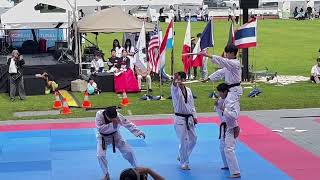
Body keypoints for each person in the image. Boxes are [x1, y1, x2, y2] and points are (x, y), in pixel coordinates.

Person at [96, 106, 146, 180]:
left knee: (129, 151)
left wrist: (137, 131)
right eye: (111, 118)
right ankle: (106, 174)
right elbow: (100, 129)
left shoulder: (117, 116)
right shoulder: (99, 115)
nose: (114, 119)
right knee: (100, 155)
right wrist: (113, 125)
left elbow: (127, 123)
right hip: (103, 137)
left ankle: (137, 169)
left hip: (115, 135)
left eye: (114, 117)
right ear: (106, 115)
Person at [171, 71, 197, 170]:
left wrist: (194, 117)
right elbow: (174, 85)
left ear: (184, 80)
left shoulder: (189, 90)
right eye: (179, 80)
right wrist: (174, 81)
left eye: (182, 79)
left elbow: (192, 105)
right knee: (184, 140)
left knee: (194, 139)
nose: (180, 81)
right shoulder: (175, 90)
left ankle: (181, 155)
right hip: (179, 118)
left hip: (189, 118)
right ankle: (184, 162)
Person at [215, 83, 241, 178]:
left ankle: (235, 172)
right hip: (224, 127)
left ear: (225, 91)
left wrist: (223, 109)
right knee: (222, 148)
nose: (219, 94)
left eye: (220, 92)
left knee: (229, 149)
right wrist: (217, 105)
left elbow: (235, 115)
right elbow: (220, 113)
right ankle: (227, 165)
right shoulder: (223, 99)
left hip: (232, 127)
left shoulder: (233, 101)